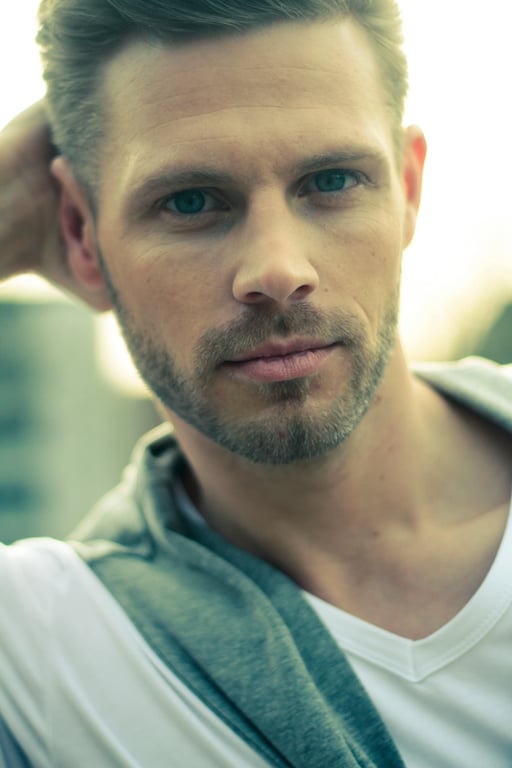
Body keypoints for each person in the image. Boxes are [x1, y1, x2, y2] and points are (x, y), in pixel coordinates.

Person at [1, 1, 511, 766]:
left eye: (332, 180)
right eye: (191, 201)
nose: (278, 270)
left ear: (407, 188)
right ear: (80, 230)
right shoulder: (45, 644)